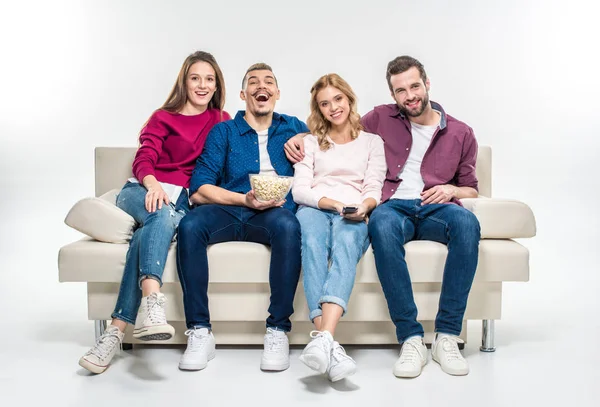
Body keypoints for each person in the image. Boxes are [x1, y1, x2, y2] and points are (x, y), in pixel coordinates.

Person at [284, 56, 480, 378]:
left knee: (468, 225)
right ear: (393, 95)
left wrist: (450, 190)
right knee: (381, 226)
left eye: (414, 86)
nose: (409, 96)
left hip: (437, 205)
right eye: (400, 90)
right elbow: (338, 124)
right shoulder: (382, 118)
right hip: (393, 205)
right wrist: (296, 137)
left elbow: (471, 188)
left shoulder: (461, 132)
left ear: (427, 84)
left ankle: (447, 334)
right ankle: (411, 338)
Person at [79, 51, 231, 374]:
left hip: (181, 203)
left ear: (217, 85)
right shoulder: (164, 117)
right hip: (141, 191)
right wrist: (152, 185)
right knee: (160, 212)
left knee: (147, 234)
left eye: (209, 79)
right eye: (195, 78)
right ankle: (152, 300)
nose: (202, 86)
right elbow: (144, 158)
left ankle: (114, 332)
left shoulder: (221, 120)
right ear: (184, 82)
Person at [176, 63, 309, 372]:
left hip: (275, 213)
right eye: (253, 82)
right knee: (190, 225)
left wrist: (304, 135)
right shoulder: (224, 131)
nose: (260, 86)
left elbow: (333, 133)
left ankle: (277, 330)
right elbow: (199, 188)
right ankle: (199, 331)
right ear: (243, 94)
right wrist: (244, 199)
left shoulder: (294, 126)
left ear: (277, 93)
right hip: (230, 206)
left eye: (268, 82)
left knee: (290, 226)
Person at [292, 73, 386, 381]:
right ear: (318, 110)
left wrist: (364, 207)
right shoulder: (310, 142)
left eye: (338, 99)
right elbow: (300, 190)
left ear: (349, 99)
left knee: (347, 244)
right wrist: (331, 203)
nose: (333, 107)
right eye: (325, 104)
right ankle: (329, 342)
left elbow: (374, 186)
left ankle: (322, 341)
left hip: (356, 210)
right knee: (313, 244)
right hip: (315, 207)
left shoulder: (372, 142)